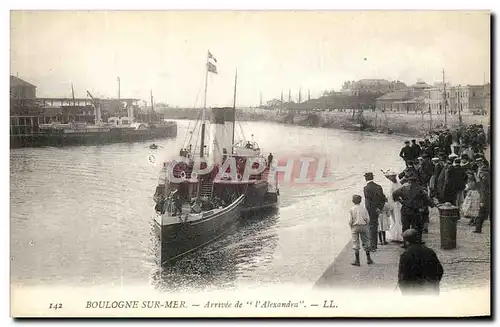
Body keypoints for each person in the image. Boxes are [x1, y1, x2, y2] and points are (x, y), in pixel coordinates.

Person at [398, 229, 444, 296]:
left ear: (407, 242)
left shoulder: (405, 255)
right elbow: (440, 270)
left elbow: (403, 277)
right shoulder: (430, 251)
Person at [392, 172, 433, 247]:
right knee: (417, 227)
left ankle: (405, 243)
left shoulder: (403, 188)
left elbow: (394, 193)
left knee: (405, 227)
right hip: (415, 211)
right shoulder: (420, 189)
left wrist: (399, 201)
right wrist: (433, 205)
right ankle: (418, 242)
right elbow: (427, 199)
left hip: (405, 211)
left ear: (409, 181)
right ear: (416, 181)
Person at [363, 172, 387, 251]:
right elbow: (383, 198)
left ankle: (373, 245)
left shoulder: (366, 188)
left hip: (371, 210)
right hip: (377, 209)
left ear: (366, 178)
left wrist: (369, 210)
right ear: (372, 177)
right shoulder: (378, 186)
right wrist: (379, 208)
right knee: (375, 226)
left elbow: (368, 201)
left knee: (371, 227)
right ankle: (374, 244)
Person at [348, 194, 373, 266]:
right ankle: (368, 259)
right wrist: (366, 225)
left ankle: (357, 261)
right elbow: (368, 219)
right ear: (360, 201)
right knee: (366, 242)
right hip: (363, 226)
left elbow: (350, 220)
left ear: (353, 201)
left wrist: (351, 227)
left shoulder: (351, 209)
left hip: (355, 227)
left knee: (355, 243)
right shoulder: (364, 208)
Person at [383, 170, 403, 243]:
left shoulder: (398, 184)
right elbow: (390, 195)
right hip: (394, 203)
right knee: (396, 219)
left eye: (394, 176)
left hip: (397, 203)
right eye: (392, 177)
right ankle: (396, 235)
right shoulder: (393, 184)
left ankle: (399, 235)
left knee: (398, 219)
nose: (393, 178)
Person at [474, 158, 490, 233]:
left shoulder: (485, 175)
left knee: (482, 212)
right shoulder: (486, 172)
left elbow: (484, 188)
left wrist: (482, 200)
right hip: (486, 195)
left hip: (486, 196)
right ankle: (478, 228)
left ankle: (478, 228)